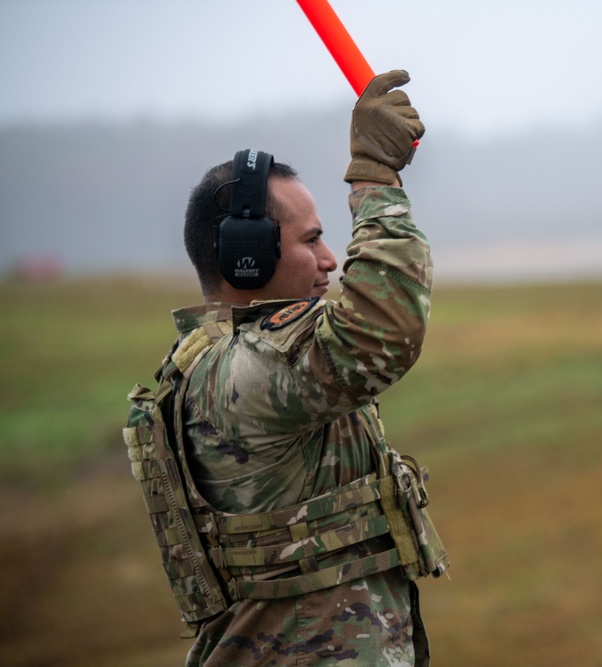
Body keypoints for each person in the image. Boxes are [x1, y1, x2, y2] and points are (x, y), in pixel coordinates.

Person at [123, 70, 447, 666]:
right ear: (249, 255)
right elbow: (384, 325)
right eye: (313, 241)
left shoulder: (234, 360)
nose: (330, 261)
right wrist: (375, 177)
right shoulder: (239, 373)